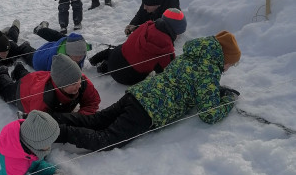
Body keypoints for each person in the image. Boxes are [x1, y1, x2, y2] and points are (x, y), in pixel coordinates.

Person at [53, 31, 241, 152]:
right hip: (150, 110)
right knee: (105, 139)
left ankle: (46, 118)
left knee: (96, 120)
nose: (227, 68)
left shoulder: (192, 55)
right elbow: (209, 114)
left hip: (139, 93)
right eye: (230, 64)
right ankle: (53, 131)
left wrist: (214, 89)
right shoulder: (209, 71)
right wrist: (228, 101)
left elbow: (187, 80)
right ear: (224, 59)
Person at [89, 8, 187, 85]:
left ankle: (96, 62)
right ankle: (108, 67)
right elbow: (165, 72)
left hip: (114, 57)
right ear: (175, 31)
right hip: (127, 77)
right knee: (146, 69)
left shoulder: (147, 25)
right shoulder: (167, 50)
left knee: (117, 50)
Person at [0, 54, 100, 116]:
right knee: (6, 90)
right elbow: (37, 122)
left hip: (38, 79)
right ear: (60, 85)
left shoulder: (80, 79)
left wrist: (79, 117)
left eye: (79, 79)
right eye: (73, 83)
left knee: (29, 77)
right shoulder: (43, 100)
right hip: (22, 92)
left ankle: (18, 68)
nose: (79, 85)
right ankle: (2, 72)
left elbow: (93, 101)